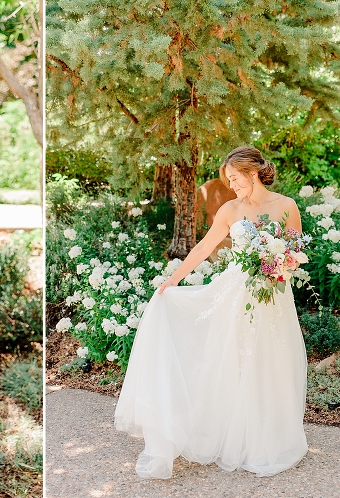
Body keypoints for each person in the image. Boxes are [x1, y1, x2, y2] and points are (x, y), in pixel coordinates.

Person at [114, 146, 308, 479]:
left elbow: (295, 247)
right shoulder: (230, 210)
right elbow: (204, 247)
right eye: (229, 180)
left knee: (271, 360)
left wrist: (281, 266)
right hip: (236, 295)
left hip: (274, 295)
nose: (232, 185)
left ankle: (267, 439)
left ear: (252, 173)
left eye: (235, 178)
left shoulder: (286, 205)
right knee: (233, 360)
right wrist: (172, 280)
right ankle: (231, 435)